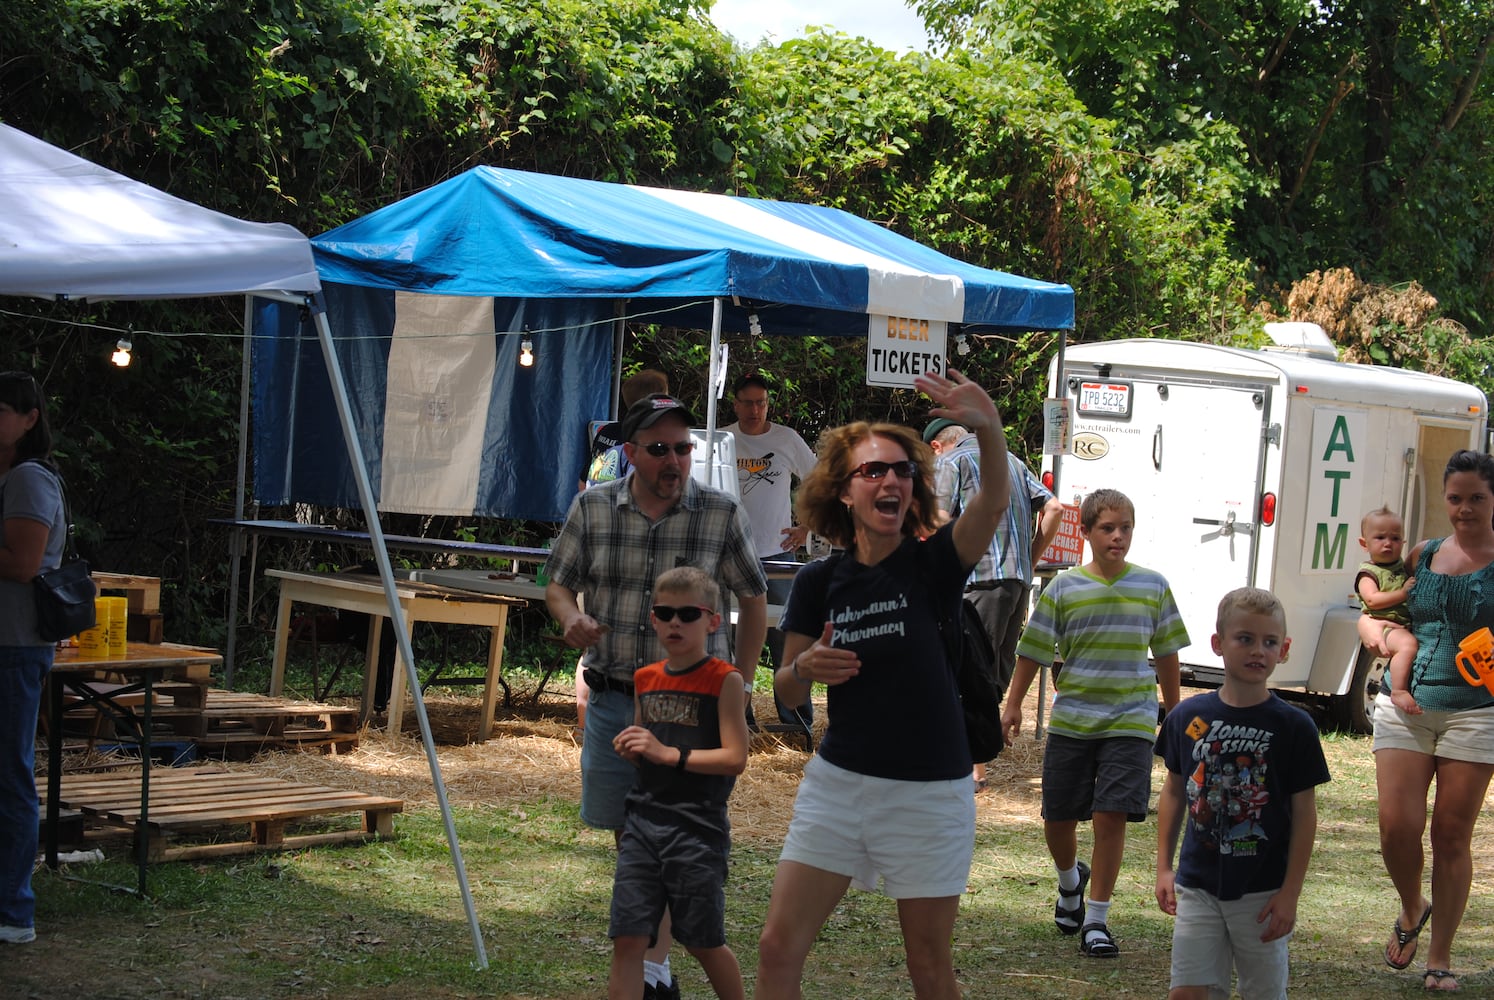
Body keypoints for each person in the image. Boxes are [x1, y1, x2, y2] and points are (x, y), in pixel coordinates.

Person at [754, 369, 1011, 1000]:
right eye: (874, 472)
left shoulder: (935, 565)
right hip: (839, 786)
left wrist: (991, 428)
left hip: (930, 792)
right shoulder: (819, 582)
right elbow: (786, 692)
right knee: (777, 947)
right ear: (843, 491)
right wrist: (805, 669)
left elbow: (995, 504)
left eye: (902, 471)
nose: (891, 480)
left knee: (927, 963)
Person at [547, 392, 767, 1000]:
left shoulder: (719, 513)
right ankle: (649, 962)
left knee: (679, 831)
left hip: (691, 710)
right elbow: (558, 585)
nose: (674, 460)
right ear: (631, 453)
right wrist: (569, 619)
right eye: (660, 449)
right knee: (630, 831)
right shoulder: (592, 509)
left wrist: (741, 682)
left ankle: (652, 967)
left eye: (683, 448)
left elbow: (753, 599)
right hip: (618, 694)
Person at [1002, 488, 1188, 959]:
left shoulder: (1153, 586)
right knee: (1058, 817)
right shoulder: (1063, 588)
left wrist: (1174, 711)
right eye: (1107, 527)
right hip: (1073, 721)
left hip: (1131, 719)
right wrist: (1013, 704)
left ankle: (1098, 920)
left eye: (1125, 527)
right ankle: (1070, 882)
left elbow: (1167, 652)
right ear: (1084, 532)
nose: (1118, 536)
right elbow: (1033, 652)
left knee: (1112, 815)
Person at [1155, 587, 1330, 1000]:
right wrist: (1164, 867)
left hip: (1263, 890)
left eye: (1270, 642)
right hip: (1197, 885)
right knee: (1188, 992)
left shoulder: (1294, 727)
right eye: (1245, 639)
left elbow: (1304, 813)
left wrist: (1290, 893)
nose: (1258, 651)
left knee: (1263, 992)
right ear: (1218, 644)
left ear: (1284, 649)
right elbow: (1175, 792)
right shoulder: (1188, 717)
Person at [1375, 449, 1494, 993]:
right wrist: (1372, 631)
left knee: (1451, 834)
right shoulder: (1422, 553)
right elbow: (1387, 611)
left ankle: (1440, 957)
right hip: (1407, 704)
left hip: (1477, 713)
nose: (1464, 509)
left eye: (1476, 498)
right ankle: (1411, 906)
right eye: (1455, 498)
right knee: (1397, 827)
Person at [608, 567, 749, 1000]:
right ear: (652, 618)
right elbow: (644, 741)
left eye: (688, 613)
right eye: (664, 612)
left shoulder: (725, 679)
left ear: (712, 621)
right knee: (629, 939)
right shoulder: (645, 679)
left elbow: (735, 757)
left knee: (701, 941)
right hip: (643, 824)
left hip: (696, 829)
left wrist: (670, 755)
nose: (675, 622)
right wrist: (632, 747)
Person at [925, 417, 1062, 791]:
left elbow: (935, 521)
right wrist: (1029, 561)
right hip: (1016, 580)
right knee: (993, 671)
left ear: (937, 446)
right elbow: (1054, 510)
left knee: (969, 671)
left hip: (977, 578)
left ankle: (972, 770)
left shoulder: (950, 463)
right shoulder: (1011, 461)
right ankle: (974, 759)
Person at [0, 372, 67, 946]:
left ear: (29, 419)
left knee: (9, 776)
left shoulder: (27, 477)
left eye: (1, 410)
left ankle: (14, 911)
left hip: (14, 647)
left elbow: (23, 564)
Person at [576, 369, 673, 735]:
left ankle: (588, 731)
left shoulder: (606, 445)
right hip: (628, 563)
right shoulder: (643, 452)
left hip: (594, 557)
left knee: (591, 650)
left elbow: (583, 490)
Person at [720, 371, 818, 730]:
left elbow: (820, 482)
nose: (755, 409)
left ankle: (795, 720)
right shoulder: (724, 440)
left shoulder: (786, 439)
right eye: (747, 402)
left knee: (788, 638)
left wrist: (807, 526)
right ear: (735, 404)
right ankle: (739, 718)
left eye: (760, 402)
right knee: (731, 638)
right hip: (732, 555)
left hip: (778, 555)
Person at [1354, 507, 1419, 715]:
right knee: (1407, 646)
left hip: (1399, 624)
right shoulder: (1368, 573)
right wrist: (1402, 594)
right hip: (1383, 625)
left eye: (1395, 538)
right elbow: (1372, 600)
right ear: (1364, 544)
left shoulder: (1401, 565)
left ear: (1404, 542)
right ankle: (1398, 690)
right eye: (1380, 537)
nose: (1388, 543)